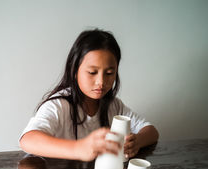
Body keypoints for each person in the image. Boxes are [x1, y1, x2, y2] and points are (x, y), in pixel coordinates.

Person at [19, 29, 159, 162]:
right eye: (92, 72)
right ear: (75, 71)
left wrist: (138, 141)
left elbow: (151, 131)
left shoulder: (114, 106)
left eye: (109, 73)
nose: (101, 82)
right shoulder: (59, 105)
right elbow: (28, 140)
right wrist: (79, 148)